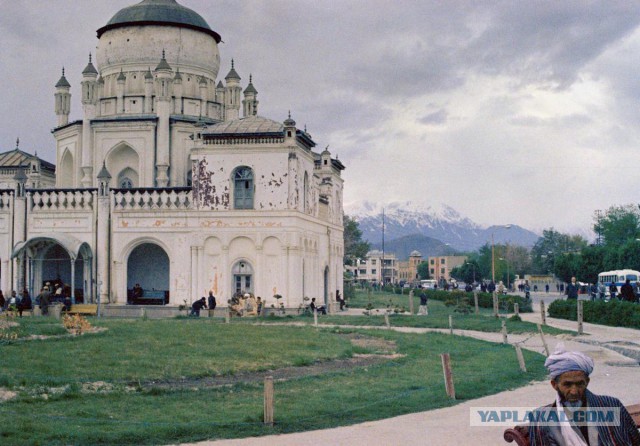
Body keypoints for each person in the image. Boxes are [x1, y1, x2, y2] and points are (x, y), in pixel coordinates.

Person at [529, 345, 640, 445]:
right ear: (554, 385)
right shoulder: (540, 418)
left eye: (579, 384)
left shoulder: (612, 404)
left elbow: (636, 441)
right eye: (567, 384)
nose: (574, 391)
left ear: (587, 382)